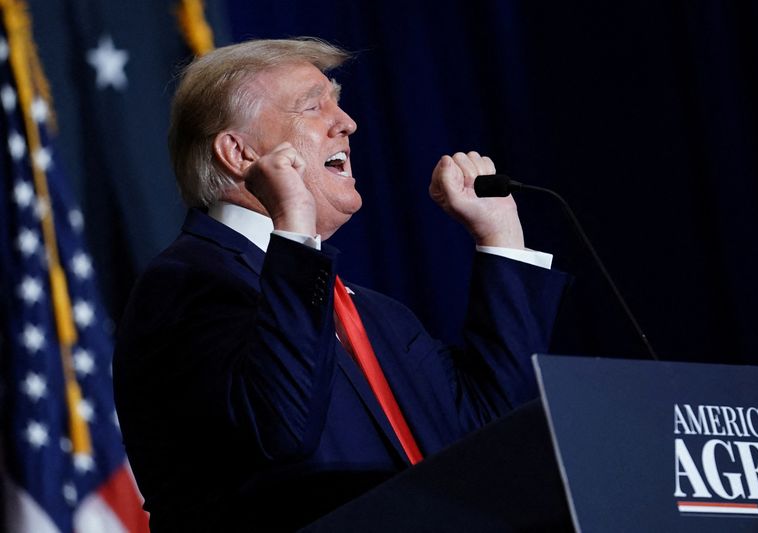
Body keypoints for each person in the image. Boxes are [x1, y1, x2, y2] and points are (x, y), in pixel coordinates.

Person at [113, 38, 569, 532]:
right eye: (313, 106)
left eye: (338, 101)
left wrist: (500, 234)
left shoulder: (377, 315)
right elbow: (282, 432)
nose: (347, 122)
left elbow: (495, 437)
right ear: (239, 152)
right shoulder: (184, 283)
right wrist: (294, 224)